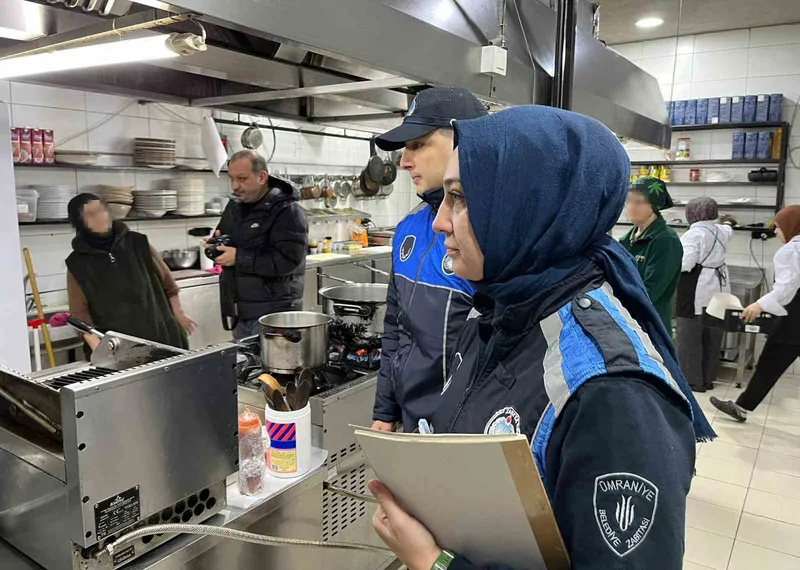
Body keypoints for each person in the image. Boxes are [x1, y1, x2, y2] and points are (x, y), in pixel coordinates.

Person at [368, 106, 714, 570]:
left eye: (460, 198)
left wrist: (437, 564)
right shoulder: (500, 310)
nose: (439, 222)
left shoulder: (611, 393)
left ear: (525, 208)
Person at [370, 87, 488, 432]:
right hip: (412, 423)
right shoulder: (409, 228)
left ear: (462, 142)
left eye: (417, 145)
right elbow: (395, 328)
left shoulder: (490, 236)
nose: (404, 161)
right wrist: (385, 409)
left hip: (465, 430)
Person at [66, 193, 195, 352]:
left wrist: (179, 314)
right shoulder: (77, 263)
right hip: (119, 347)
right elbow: (79, 313)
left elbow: (168, 283)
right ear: (79, 222)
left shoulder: (138, 243)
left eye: (101, 210)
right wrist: (97, 346)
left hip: (162, 335)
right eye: (91, 214)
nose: (100, 217)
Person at [712, 205, 800, 422]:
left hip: (794, 320)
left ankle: (741, 407)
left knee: (770, 362)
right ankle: (742, 406)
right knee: (770, 363)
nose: (775, 232)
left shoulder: (791, 250)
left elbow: (786, 288)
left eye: (778, 227)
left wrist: (759, 305)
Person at [211, 150, 308, 339]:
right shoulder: (234, 207)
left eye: (242, 179)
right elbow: (227, 239)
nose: (235, 186)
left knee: (275, 359)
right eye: (231, 179)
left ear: (262, 177)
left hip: (274, 315)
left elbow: (289, 261)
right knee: (245, 358)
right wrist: (216, 246)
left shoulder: (287, 210)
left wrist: (238, 257)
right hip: (240, 310)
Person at [676, 197, 734, 393]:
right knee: (713, 334)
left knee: (690, 336)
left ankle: (693, 381)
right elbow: (729, 228)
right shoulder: (721, 231)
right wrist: (729, 221)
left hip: (697, 289)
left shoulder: (693, 235)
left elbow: (685, 264)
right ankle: (708, 379)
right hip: (720, 289)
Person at [620, 176, 683, 331]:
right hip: (627, 322)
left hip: (650, 326)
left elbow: (650, 291)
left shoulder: (665, 240)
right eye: (629, 201)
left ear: (654, 205)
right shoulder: (625, 240)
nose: (631, 207)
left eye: (638, 202)